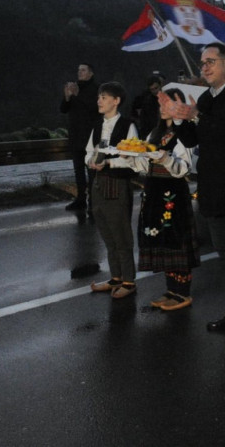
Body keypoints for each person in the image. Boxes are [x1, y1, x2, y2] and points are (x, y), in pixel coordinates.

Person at [159, 43, 225, 345]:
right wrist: (179, 117)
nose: (204, 67)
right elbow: (195, 138)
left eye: (210, 62)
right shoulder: (207, 98)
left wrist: (195, 117)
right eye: (202, 62)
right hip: (214, 188)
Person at [130, 87, 200, 310]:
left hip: (173, 193)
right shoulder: (154, 133)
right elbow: (145, 164)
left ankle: (183, 293)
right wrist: (130, 158)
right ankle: (171, 289)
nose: (162, 109)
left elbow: (183, 169)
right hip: (153, 192)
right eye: (161, 104)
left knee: (175, 236)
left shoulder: (184, 135)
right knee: (160, 237)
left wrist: (166, 159)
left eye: (167, 104)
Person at [87, 82, 140, 299]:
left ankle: (129, 280)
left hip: (118, 184)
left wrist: (109, 163)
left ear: (116, 101)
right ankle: (115, 277)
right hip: (98, 183)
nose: (99, 100)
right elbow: (88, 152)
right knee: (107, 234)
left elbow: (134, 158)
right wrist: (91, 161)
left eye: (104, 97)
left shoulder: (128, 126)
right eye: (99, 97)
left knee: (121, 234)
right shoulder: (97, 126)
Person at [60, 63, 99, 212]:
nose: (79, 72)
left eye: (83, 70)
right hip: (75, 136)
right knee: (78, 170)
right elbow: (63, 109)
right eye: (78, 70)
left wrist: (78, 96)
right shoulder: (75, 87)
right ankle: (80, 199)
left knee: (91, 171)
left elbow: (94, 108)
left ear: (90, 73)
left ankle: (93, 202)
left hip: (90, 137)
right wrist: (67, 97)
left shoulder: (96, 88)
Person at [131, 74, 164, 141]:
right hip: (150, 133)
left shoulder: (167, 97)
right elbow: (144, 122)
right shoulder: (147, 102)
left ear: (161, 85)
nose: (155, 91)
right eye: (152, 89)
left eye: (156, 88)